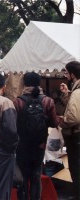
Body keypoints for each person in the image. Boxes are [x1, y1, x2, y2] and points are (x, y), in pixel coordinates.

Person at [14, 72, 59, 200]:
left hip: (22, 145)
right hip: (40, 145)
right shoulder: (47, 101)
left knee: (23, 176)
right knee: (36, 175)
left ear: (25, 84)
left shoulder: (17, 102)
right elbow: (54, 122)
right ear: (39, 83)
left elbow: (14, 124)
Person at [59, 61, 80, 199]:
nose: (65, 75)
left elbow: (74, 117)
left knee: (76, 167)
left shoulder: (77, 92)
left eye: (66, 72)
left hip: (76, 137)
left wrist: (63, 121)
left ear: (72, 74)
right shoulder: (76, 91)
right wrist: (67, 94)